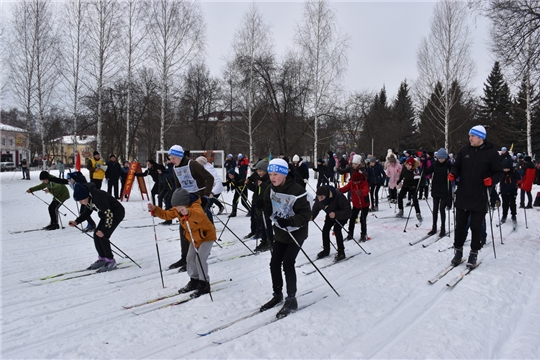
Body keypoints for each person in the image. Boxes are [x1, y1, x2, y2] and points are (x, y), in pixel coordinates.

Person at [260, 158, 311, 318]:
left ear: (284, 173)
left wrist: (289, 221)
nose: (272, 177)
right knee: (274, 263)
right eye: (270, 174)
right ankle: (277, 294)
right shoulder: (270, 188)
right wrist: (261, 206)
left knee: (288, 263)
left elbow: (306, 215)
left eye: (275, 174)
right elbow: (267, 205)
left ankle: (291, 299)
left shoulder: (297, 190)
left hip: (296, 232)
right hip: (281, 232)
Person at [448, 125, 503, 268]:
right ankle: (458, 252)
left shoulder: (491, 153)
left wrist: (492, 180)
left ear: (480, 137)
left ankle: (473, 253)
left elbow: (498, 173)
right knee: (460, 226)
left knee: (476, 226)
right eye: (469, 136)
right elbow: (457, 167)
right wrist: (453, 173)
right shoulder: (464, 151)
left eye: (472, 136)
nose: (470, 138)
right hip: (463, 194)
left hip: (480, 196)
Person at [148, 188, 216, 298]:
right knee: (190, 258)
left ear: (184, 203)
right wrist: (155, 209)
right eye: (175, 207)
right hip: (194, 238)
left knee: (200, 259)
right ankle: (194, 280)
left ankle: (204, 284)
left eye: (178, 207)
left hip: (206, 236)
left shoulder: (195, 206)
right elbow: (166, 214)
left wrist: (189, 212)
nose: (176, 209)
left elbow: (200, 215)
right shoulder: (178, 209)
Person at [167, 145, 215, 272]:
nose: (171, 160)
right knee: (183, 227)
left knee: (195, 227)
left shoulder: (192, 164)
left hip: (198, 199)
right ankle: (185, 257)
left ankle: (197, 257)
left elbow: (209, 178)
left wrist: (205, 196)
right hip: (185, 200)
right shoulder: (175, 167)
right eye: (170, 158)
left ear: (179, 156)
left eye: (173, 158)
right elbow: (178, 186)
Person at [68, 183, 125, 272]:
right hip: (105, 216)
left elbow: (109, 215)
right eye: (79, 201)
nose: (81, 203)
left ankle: (110, 261)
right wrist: (77, 221)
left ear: (86, 195)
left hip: (116, 214)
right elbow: (87, 211)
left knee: (103, 235)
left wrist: (105, 230)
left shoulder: (98, 197)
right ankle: (102, 259)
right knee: (96, 234)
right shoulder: (88, 198)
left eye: (81, 200)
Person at [311, 185, 351, 261]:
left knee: (337, 230)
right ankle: (326, 249)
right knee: (325, 230)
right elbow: (316, 208)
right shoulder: (319, 199)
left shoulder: (339, 197)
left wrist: (336, 214)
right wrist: (312, 216)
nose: (319, 200)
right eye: (318, 197)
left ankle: (341, 251)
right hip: (330, 214)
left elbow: (348, 212)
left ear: (327, 195)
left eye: (321, 198)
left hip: (342, 216)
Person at [339, 156, 370, 241]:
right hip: (356, 204)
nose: (355, 183)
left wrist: (361, 191)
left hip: (364, 204)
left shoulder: (364, 182)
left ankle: (363, 234)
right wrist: (338, 190)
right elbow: (345, 188)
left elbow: (366, 191)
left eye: (357, 181)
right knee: (352, 218)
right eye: (354, 181)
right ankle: (350, 234)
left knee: (362, 219)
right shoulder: (351, 182)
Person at [424, 148, 452, 237]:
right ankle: (434, 227)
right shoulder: (434, 164)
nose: (441, 160)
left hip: (444, 189)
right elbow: (427, 172)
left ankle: (443, 227)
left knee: (442, 209)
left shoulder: (448, 165)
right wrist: (424, 166)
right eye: (439, 158)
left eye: (442, 158)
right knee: (435, 209)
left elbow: (454, 173)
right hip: (436, 188)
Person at [248, 160, 274, 252]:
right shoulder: (259, 179)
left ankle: (269, 241)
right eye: (258, 171)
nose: (259, 173)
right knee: (261, 223)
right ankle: (264, 240)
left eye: (261, 171)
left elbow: (270, 190)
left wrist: (262, 185)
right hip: (258, 203)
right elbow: (255, 190)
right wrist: (248, 184)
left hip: (266, 205)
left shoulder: (269, 179)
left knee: (266, 224)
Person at [395, 157, 423, 222]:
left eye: (409, 165)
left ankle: (418, 213)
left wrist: (419, 186)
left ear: (412, 165)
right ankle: (401, 210)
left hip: (413, 186)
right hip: (406, 185)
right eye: (407, 165)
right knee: (400, 196)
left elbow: (419, 180)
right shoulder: (404, 168)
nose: (408, 166)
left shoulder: (416, 170)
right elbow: (402, 175)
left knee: (415, 199)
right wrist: (399, 180)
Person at [499, 158, 521, 225]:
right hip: (504, 190)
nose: (506, 170)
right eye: (504, 168)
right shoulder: (501, 173)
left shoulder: (514, 172)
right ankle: (504, 215)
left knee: (512, 203)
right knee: (505, 204)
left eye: (507, 168)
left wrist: (518, 183)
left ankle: (513, 215)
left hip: (512, 190)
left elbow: (519, 178)